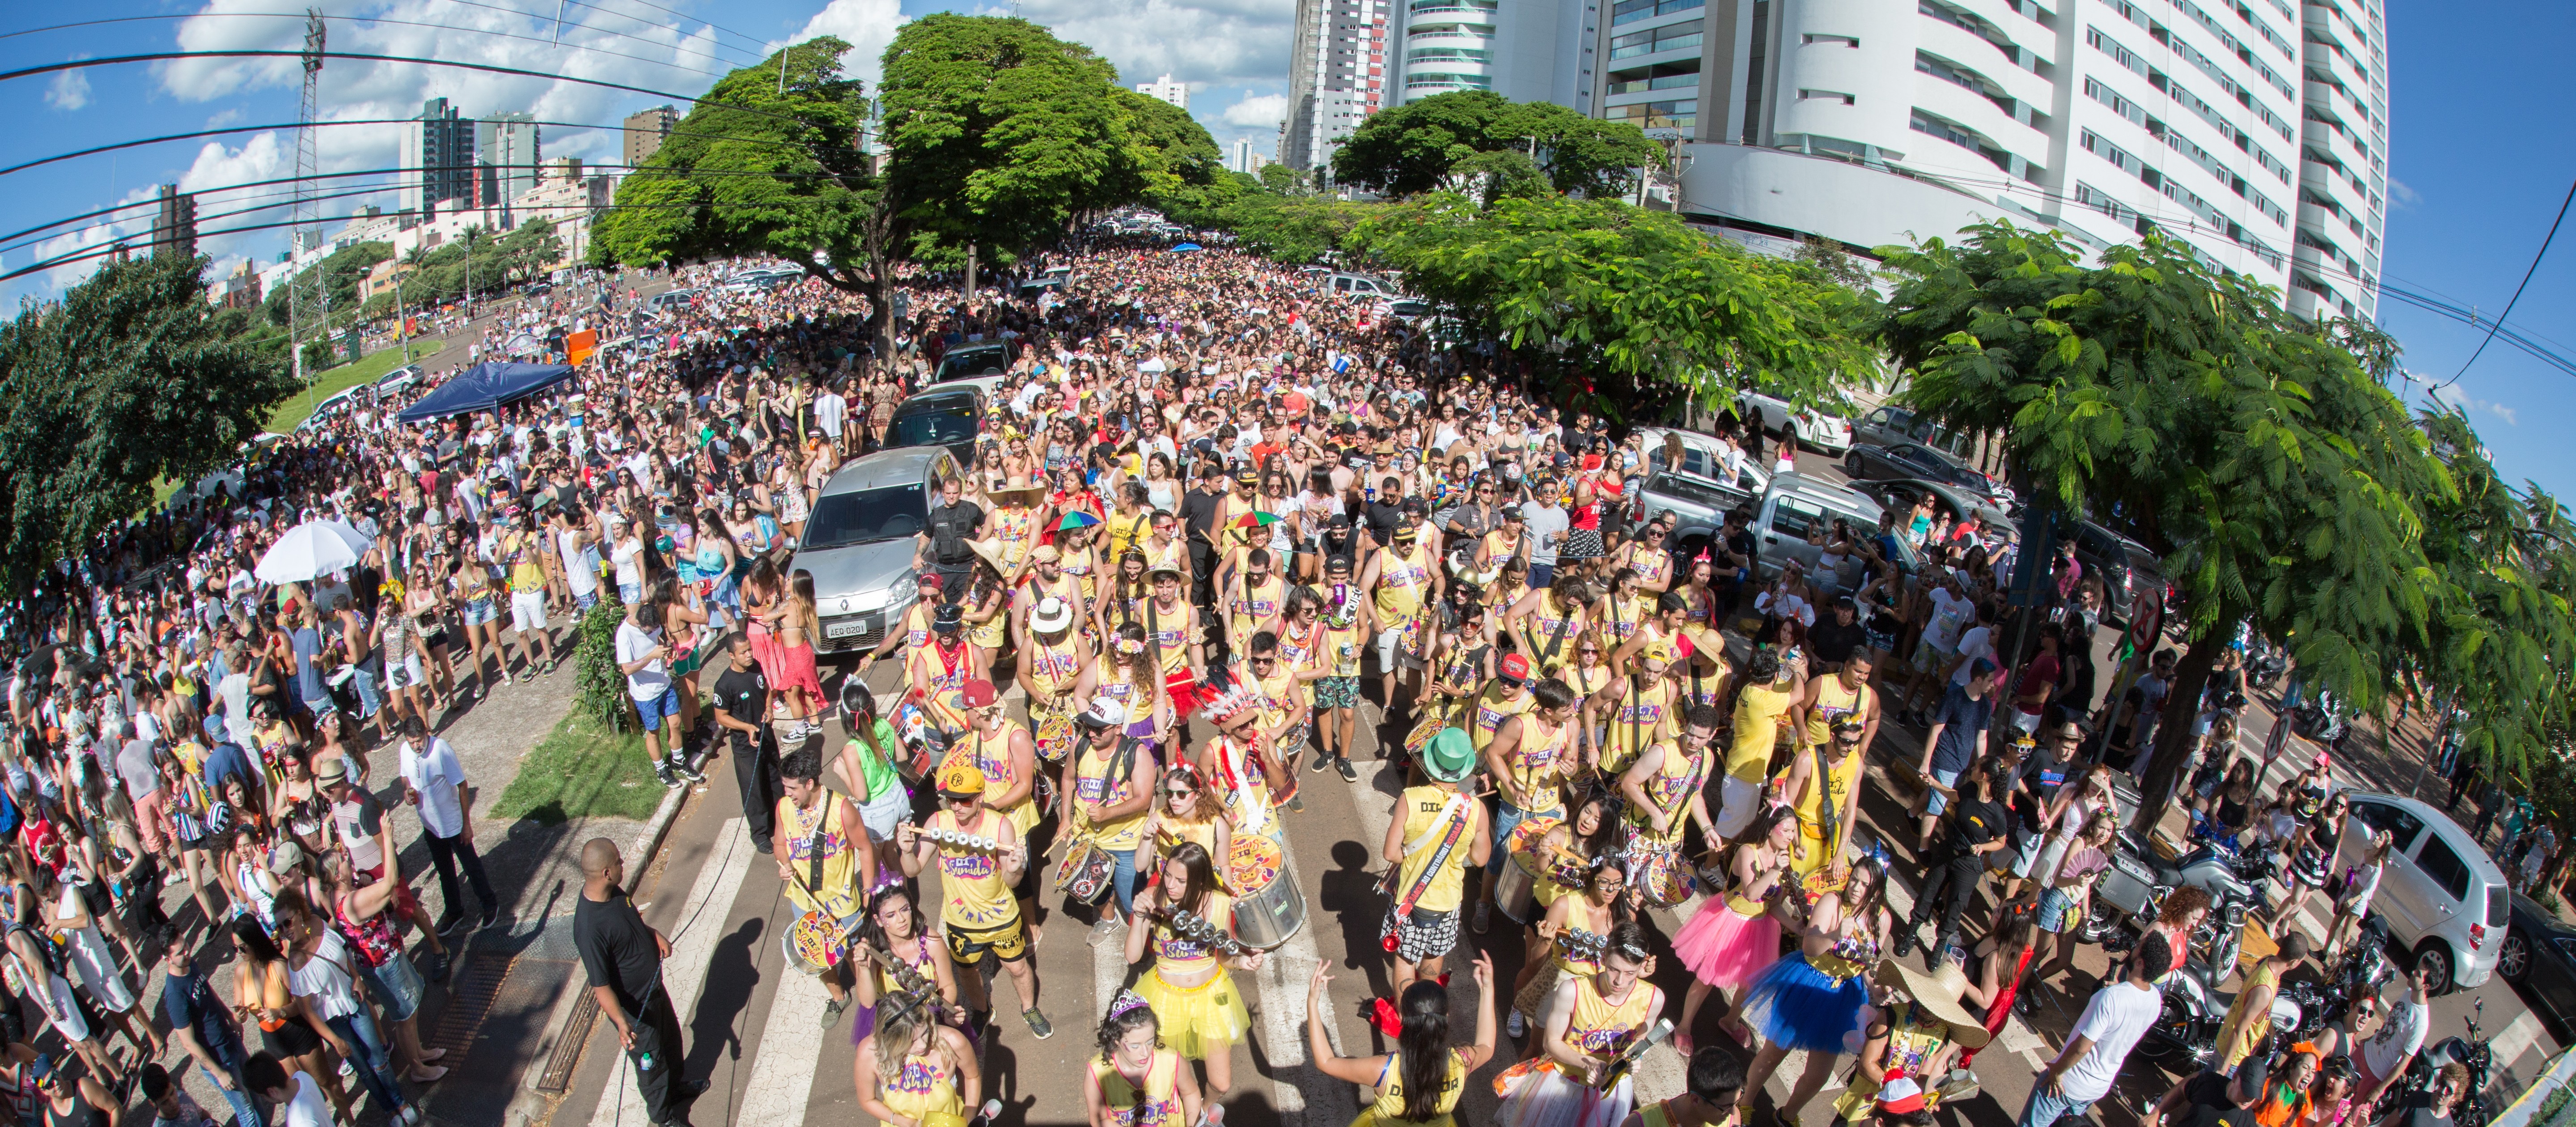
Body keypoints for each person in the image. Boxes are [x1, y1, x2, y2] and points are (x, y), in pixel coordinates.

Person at [899, 760, 1049, 1040]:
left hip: (1001, 918)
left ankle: (1029, 1009)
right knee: (968, 974)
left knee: (1017, 968)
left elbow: (1010, 881)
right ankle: (982, 1011)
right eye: (951, 799)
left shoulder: (1001, 826)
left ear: (981, 797)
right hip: (960, 921)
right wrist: (907, 851)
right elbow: (913, 869)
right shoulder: (938, 822)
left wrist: (1015, 869)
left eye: (965, 800)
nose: (956, 807)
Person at [1740, 858, 1892, 1123]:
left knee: (1819, 1075)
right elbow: (1810, 947)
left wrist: (1874, 988)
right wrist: (1835, 935)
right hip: (1809, 982)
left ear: (1877, 891)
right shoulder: (1832, 902)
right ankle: (1745, 1103)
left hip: (1844, 995)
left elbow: (1865, 962)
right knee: (1774, 1054)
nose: (1855, 887)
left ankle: (1787, 1115)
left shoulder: (1883, 919)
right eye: (1853, 878)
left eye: (1864, 884)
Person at [574, 838, 706, 1127]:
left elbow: (633, 922)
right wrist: (622, 1023)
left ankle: (675, 1090)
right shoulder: (589, 928)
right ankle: (663, 1118)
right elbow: (600, 985)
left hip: (655, 991)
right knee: (652, 1065)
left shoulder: (613, 894)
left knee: (671, 1045)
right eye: (619, 862)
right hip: (636, 1013)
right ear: (607, 872)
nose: (623, 865)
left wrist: (653, 934)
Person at [1123, 842, 1267, 1095]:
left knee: (1221, 1084)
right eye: (1168, 875)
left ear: (1200, 882)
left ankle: (1203, 1116)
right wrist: (1139, 917)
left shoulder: (1220, 903)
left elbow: (1224, 955)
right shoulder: (1154, 897)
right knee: (1162, 1083)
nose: (1170, 884)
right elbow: (1133, 956)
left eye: (1181, 880)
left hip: (1211, 996)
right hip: (1165, 998)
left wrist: (1243, 962)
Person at [1490, 919, 1665, 1127]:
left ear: (1642, 967)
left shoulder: (1654, 998)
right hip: (1566, 1082)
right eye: (1614, 970)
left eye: (1630, 973)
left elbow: (1642, 1038)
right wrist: (1587, 1062)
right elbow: (1551, 1043)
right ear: (1604, 957)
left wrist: (1635, 1059)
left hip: (1611, 1090)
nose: (1620, 981)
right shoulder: (1572, 991)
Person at [1309, 951, 1498, 1127]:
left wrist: (1312, 1001)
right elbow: (1487, 1046)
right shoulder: (1461, 1062)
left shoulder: (1382, 1071)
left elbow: (1326, 1062)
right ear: (1446, 1018)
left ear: (1402, 1020)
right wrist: (1487, 989)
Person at [1671, 806, 1796, 1054]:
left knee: (1750, 984)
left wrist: (1796, 926)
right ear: (1770, 829)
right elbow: (1751, 894)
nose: (1791, 836)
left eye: (1794, 831)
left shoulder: (1782, 858)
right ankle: (1684, 1026)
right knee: (1707, 978)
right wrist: (1774, 871)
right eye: (1787, 830)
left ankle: (1730, 1021)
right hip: (1730, 921)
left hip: (1761, 929)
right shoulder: (1748, 852)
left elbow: (1774, 904)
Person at [2017, 929, 2172, 1127]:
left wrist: (2056, 1072)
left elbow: (2082, 1047)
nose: (2133, 948)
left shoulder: (2111, 997)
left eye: (2138, 948)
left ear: (2140, 963)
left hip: (2069, 1080)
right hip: (2097, 1087)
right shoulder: (2154, 1001)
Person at [1384, 728, 1491, 999]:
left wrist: (1413, 859)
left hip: (1411, 896)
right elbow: (1480, 859)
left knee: (1406, 959)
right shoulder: (1476, 809)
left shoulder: (1410, 798)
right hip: (1448, 900)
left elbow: (1390, 853)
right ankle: (1426, 1016)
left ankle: (1406, 1020)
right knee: (1433, 957)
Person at [775, 745, 873, 1029]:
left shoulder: (843, 809)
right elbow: (779, 844)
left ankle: (872, 1002)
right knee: (816, 954)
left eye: (792, 788)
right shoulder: (784, 807)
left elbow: (865, 849)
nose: (788, 794)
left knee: (857, 953)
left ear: (809, 784)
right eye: (785, 787)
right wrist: (785, 865)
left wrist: (867, 891)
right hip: (804, 901)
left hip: (842, 902)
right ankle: (838, 996)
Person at [1476, 677, 1578, 934]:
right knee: (1499, 856)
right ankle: (1484, 904)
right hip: (1515, 805)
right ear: (1548, 710)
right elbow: (1493, 754)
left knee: (1547, 863)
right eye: (1566, 709)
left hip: (1549, 806)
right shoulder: (1520, 725)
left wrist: (1572, 768)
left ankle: (1535, 914)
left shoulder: (1572, 725)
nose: (1573, 712)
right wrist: (1512, 787)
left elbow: (1573, 762)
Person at [1894, 753, 2012, 963]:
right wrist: (1934, 783)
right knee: (1929, 891)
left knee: (1956, 905)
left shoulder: (1997, 813)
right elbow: (1954, 795)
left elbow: (2001, 842)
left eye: (1976, 767)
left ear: (1984, 776)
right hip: (1947, 852)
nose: (1972, 769)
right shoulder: (1970, 790)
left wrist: (1983, 847)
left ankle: (1939, 946)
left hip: (1969, 865)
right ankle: (1911, 933)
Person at [395, 715, 499, 934]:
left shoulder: (441, 750)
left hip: (453, 824)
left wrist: (466, 825)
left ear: (427, 732)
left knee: (471, 866)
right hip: (430, 827)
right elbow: (405, 777)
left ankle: (489, 903)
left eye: (419, 740)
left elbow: (462, 785)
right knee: (445, 872)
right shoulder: (405, 750)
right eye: (412, 741)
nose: (416, 746)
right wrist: (406, 792)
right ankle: (454, 911)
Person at [1060, 696, 1160, 923]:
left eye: (1099, 729)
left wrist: (1108, 814)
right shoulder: (1080, 745)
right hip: (1086, 838)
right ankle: (1108, 921)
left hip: (1125, 844)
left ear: (1117, 729)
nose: (1092, 733)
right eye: (1089, 726)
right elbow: (1068, 780)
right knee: (1093, 890)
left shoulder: (1138, 754)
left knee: (1132, 900)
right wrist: (1065, 819)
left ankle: (1142, 940)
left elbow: (1144, 800)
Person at [159, 936, 267, 1127]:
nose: (187, 952)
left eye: (186, 945)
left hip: (230, 1041)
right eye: (180, 953)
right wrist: (218, 1073)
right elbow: (188, 1043)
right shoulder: (175, 995)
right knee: (247, 1112)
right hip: (220, 1059)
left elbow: (208, 992)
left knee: (255, 1092)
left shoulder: (190, 964)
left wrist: (230, 1017)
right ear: (167, 959)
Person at [852, 995, 983, 1127]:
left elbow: (972, 1077)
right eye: (911, 1041)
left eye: (925, 1032)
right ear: (891, 1040)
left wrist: (968, 1120)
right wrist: (900, 1121)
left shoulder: (952, 1042)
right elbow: (867, 1100)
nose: (922, 1045)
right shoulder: (870, 1053)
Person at [711, 631, 788, 853]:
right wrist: (746, 727)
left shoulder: (756, 668)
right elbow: (721, 717)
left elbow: (767, 691)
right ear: (731, 656)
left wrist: (768, 709)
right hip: (746, 747)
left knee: (775, 781)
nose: (749, 655)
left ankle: (782, 822)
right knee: (754, 790)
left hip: (766, 736)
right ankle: (761, 834)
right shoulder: (724, 685)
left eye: (750, 649)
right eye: (743, 652)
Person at [615, 602, 704, 787]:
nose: (652, 633)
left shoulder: (652, 622)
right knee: (654, 731)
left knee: (675, 722)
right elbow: (626, 669)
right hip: (645, 693)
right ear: (640, 623)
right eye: (649, 630)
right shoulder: (624, 635)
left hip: (664, 684)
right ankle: (661, 769)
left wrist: (666, 649)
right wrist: (652, 656)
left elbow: (659, 640)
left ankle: (679, 761)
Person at [1914, 660, 1997, 855]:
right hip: (1945, 759)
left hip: (1963, 764)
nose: (1993, 685)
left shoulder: (1985, 704)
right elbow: (1935, 731)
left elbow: (1982, 736)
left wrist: (1982, 765)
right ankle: (1923, 848)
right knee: (1937, 806)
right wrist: (1926, 762)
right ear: (1979, 679)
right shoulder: (1954, 698)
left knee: (1938, 791)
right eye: (1990, 681)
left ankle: (1911, 813)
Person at [1083, 991, 1200, 1127]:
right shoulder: (1097, 1074)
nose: (1145, 1052)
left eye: (1150, 1042)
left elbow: (1190, 1093)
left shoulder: (1173, 1061)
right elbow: (1099, 1120)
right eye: (1135, 1046)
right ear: (1116, 1040)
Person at [2214, 930, 2310, 1076]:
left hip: (2225, 1041)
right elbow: (2239, 1030)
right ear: (2295, 962)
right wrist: (2224, 1069)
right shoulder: (2265, 991)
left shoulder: (2268, 962)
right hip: (2234, 1056)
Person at [1619, 1048, 1746, 1127]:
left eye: (1736, 1102)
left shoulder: (1730, 1121)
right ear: (1696, 1100)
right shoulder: (1639, 1124)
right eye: (1726, 1108)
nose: (1733, 1113)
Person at [2140, 1055, 2267, 1127]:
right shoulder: (2210, 1083)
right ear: (2235, 1078)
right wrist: (2157, 1113)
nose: (2249, 1099)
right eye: (2247, 1091)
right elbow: (2182, 1091)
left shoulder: (2247, 1122)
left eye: (2254, 1095)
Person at [245, 1051, 337, 1127]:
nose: (265, 1100)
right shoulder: (302, 1076)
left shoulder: (303, 1122)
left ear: (272, 1092)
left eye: (263, 1096)